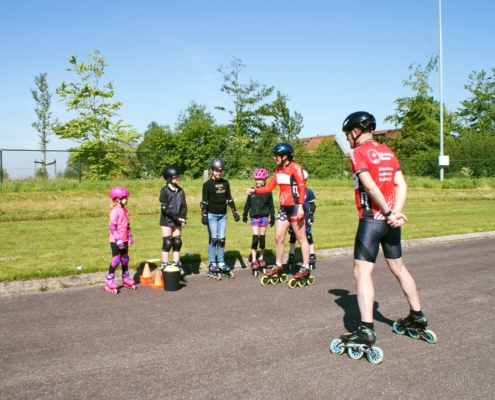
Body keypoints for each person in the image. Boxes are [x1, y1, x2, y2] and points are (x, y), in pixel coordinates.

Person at [339, 111, 432, 347]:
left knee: (362, 273)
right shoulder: (388, 152)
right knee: (399, 267)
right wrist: (395, 213)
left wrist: (389, 214)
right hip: (390, 223)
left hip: (371, 220)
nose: (348, 139)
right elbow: (401, 184)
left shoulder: (358, 153)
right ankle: (417, 316)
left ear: (357, 131)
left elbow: (369, 187)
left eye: (349, 134)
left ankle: (366, 330)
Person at [246, 143, 311, 281]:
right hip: (283, 208)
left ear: (285, 156)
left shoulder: (296, 168)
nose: (274, 158)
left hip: (295, 206)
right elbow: (269, 187)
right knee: (278, 238)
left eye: (276, 155)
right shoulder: (278, 170)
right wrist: (255, 190)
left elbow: (302, 187)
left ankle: (305, 267)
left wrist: (300, 206)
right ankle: (278, 265)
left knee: (301, 237)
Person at [201, 158, 240, 279]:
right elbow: (204, 201)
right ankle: (212, 263)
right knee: (213, 239)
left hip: (223, 214)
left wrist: (234, 211)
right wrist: (204, 214)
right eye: (216, 171)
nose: (218, 173)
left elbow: (229, 198)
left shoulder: (225, 183)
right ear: (212, 170)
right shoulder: (207, 185)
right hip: (212, 214)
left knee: (221, 239)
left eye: (220, 171)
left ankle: (221, 262)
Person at [242, 168, 275, 276]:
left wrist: (272, 216)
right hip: (254, 216)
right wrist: (245, 214)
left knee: (262, 238)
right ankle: (254, 260)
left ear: (264, 180)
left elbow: (271, 205)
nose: (257, 181)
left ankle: (261, 258)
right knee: (255, 237)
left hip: (264, 216)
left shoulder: (267, 191)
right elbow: (248, 203)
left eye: (260, 179)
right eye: (256, 179)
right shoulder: (252, 191)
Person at [159, 166, 188, 282]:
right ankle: (165, 265)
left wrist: (182, 218)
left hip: (177, 220)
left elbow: (184, 205)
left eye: (178, 176)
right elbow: (164, 208)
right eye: (175, 177)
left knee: (177, 242)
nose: (178, 178)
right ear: (169, 178)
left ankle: (177, 265)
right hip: (167, 220)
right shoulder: (164, 191)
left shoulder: (180, 190)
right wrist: (176, 219)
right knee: (167, 242)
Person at [105, 186, 135, 294]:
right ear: (118, 199)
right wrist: (118, 240)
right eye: (125, 198)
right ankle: (109, 280)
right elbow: (112, 227)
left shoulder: (125, 210)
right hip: (115, 240)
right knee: (116, 260)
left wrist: (129, 236)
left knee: (125, 259)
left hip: (124, 239)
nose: (127, 200)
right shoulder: (115, 211)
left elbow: (127, 225)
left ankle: (125, 278)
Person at [287, 170, 317, 270]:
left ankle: (312, 253)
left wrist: (312, 216)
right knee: (293, 235)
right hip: (294, 217)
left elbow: (312, 205)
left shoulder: (308, 191)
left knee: (308, 235)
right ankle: (291, 253)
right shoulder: (292, 191)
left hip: (306, 216)